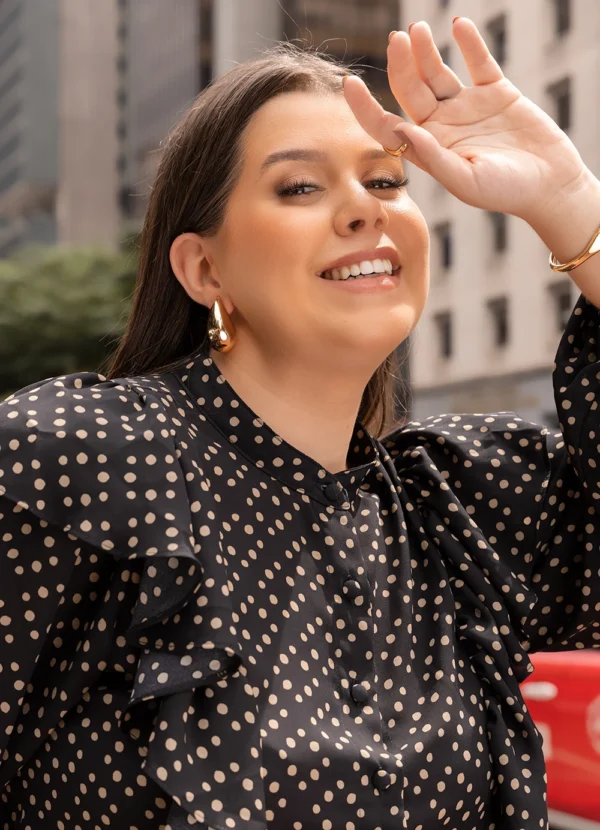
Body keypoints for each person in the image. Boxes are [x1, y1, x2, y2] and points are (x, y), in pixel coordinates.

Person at [1, 16, 599, 830]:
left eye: (386, 182)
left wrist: (572, 204)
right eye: (300, 186)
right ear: (204, 269)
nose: (365, 210)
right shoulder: (76, 456)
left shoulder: (459, 509)